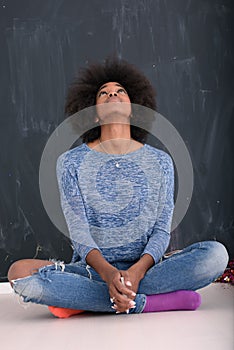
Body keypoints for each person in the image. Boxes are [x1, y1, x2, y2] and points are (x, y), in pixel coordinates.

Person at [7, 57, 228, 318]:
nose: (112, 93)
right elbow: (79, 232)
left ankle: (85, 300)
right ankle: (148, 302)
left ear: (134, 108)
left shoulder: (160, 161)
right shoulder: (70, 162)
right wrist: (110, 274)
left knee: (216, 256)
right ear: (93, 112)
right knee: (18, 273)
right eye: (104, 93)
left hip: (148, 268)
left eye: (120, 91)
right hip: (93, 270)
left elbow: (160, 231)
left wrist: (135, 272)